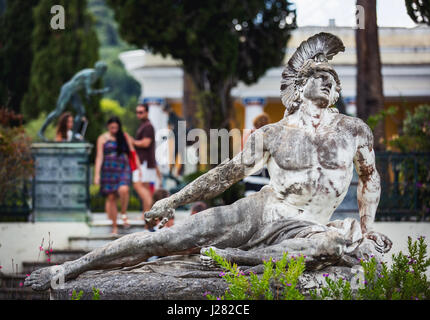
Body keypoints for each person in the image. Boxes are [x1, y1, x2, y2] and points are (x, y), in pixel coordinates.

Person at [25, 33, 393, 291]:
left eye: (333, 77)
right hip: (261, 212)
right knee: (172, 237)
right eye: (319, 75)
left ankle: (236, 258)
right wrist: (171, 201)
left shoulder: (354, 130)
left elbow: (369, 178)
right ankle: (71, 267)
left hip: (308, 228)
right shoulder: (273, 134)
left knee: (337, 243)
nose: (328, 80)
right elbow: (223, 176)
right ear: (300, 87)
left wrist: (368, 226)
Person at [38, 61, 110, 141]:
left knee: (81, 112)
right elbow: (89, 91)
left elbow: (85, 90)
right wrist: (102, 91)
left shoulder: (94, 76)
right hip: (68, 89)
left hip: (73, 92)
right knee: (58, 111)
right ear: (99, 69)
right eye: (103, 70)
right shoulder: (90, 75)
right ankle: (41, 131)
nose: (104, 72)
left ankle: (74, 136)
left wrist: (88, 98)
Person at [94, 117, 140, 235]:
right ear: (108, 127)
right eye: (112, 127)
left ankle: (123, 213)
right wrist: (97, 174)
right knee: (111, 198)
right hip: (108, 170)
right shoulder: (102, 138)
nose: (114, 130)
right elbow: (99, 157)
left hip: (122, 168)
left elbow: (132, 152)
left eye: (116, 127)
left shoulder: (124, 136)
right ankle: (115, 226)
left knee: (124, 189)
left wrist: (138, 168)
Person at [131, 104, 158, 226]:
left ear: (147, 112)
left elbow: (146, 143)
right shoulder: (144, 125)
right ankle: (146, 215)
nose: (139, 115)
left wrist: (132, 142)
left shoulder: (148, 126)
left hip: (145, 162)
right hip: (146, 162)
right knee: (146, 188)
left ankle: (150, 214)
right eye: (137, 112)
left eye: (141, 112)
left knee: (138, 185)